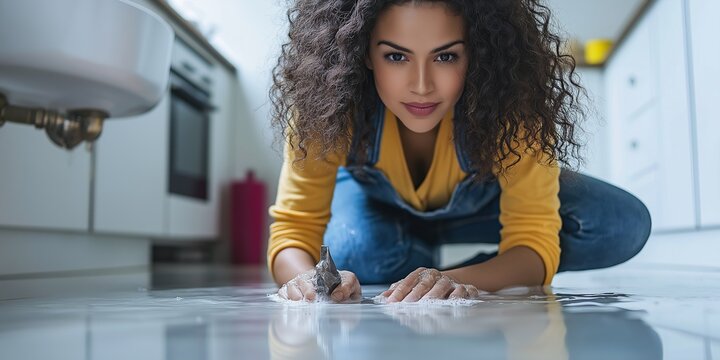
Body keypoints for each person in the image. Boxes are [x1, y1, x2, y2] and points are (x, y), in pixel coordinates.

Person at [267, 0, 651, 302]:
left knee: (619, 222)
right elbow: (293, 234)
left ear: (476, 52)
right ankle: (415, 266)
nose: (421, 85)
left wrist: (455, 280)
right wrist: (308, 280)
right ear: (364, 52)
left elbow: (534, 241)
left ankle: (424, 270)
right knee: (356, 249)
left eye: (446, 56)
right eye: (396, 56)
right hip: (380, 212)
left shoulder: (512, 104)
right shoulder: (326, 106)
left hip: (484, 205)